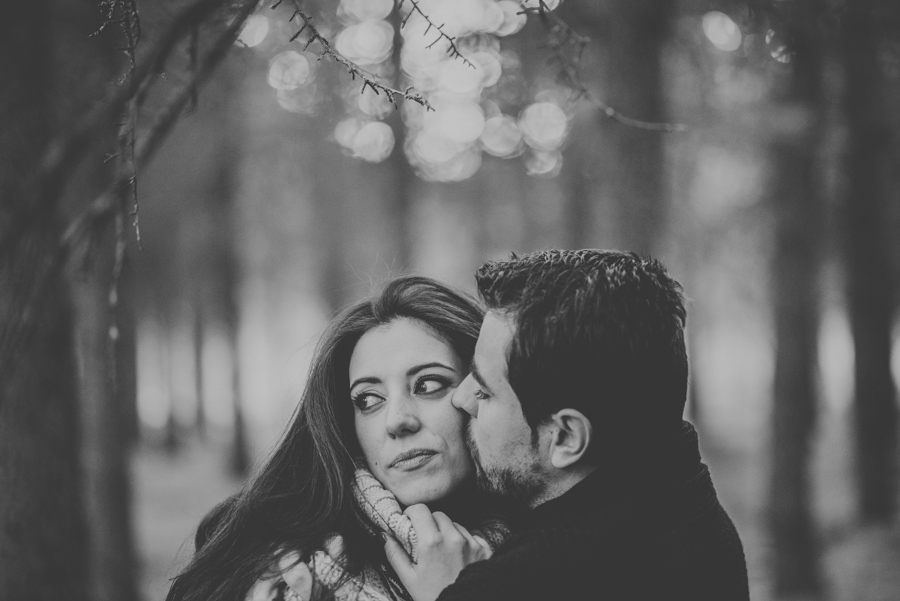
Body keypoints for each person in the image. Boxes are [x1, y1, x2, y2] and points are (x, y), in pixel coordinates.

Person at [384, 250, 750, 601]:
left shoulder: (530, 582)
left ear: (565, 438)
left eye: (484, 391)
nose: (461, 398)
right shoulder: (688, 501)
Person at [165, 276, 511, 601]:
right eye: (369, 400)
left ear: (482, 391)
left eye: (427, 385)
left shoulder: (546, 549)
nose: (397, 421)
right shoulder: (285, 569)